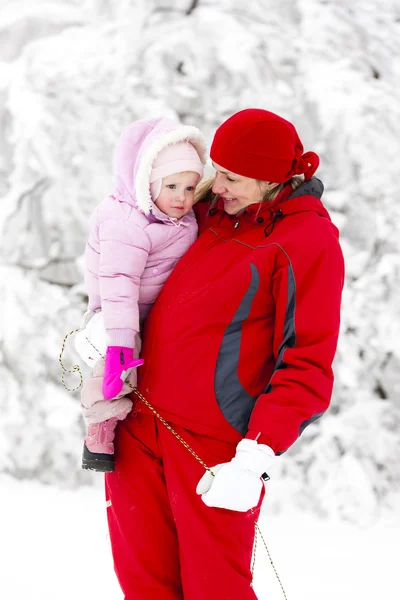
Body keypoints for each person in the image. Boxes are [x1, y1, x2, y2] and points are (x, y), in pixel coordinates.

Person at [102, 108, 345, 599]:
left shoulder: (305, 241)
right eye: (217, 170)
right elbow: (129, 245)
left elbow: (307, 362)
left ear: (274, 179)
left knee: (216, 588)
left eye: (232, 176)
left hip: (213, 449)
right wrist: (101, 321)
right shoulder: (209, 209)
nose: (218, 185)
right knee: (143, 584)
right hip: (139, 426)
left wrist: (255, 453)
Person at [76, 117, 206, 472]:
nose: (182, 198)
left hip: (151, 310)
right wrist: (119, 340)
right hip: (117, 313)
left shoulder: (178, 218)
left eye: (190, 188)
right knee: (115, 365)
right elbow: (117, 283)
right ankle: (99, 430)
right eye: (172, 185)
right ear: (147, 183)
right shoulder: (127, 222)